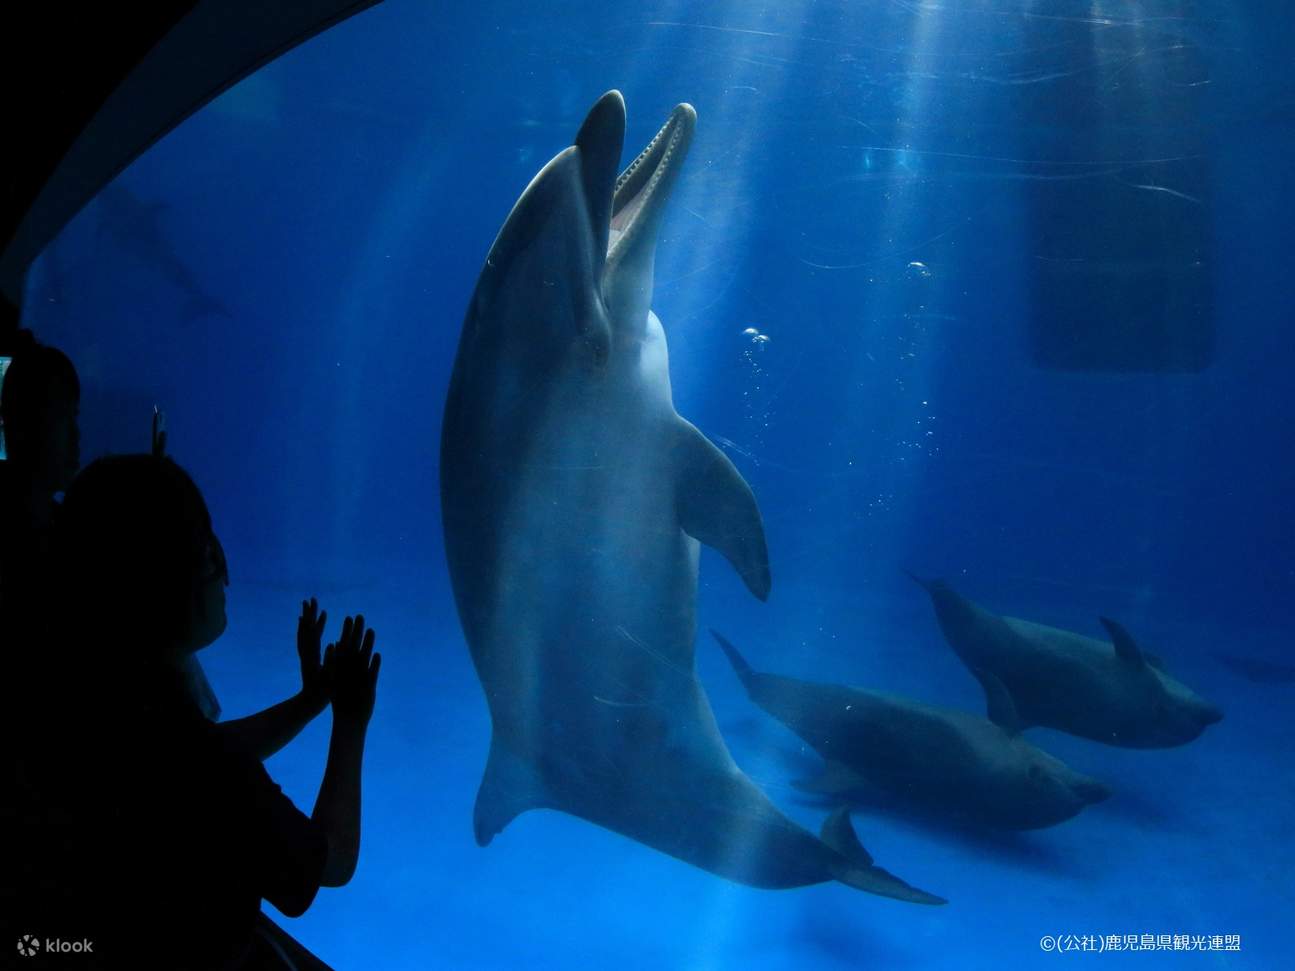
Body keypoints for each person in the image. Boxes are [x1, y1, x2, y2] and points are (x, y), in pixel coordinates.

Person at [10, 454, 381, 969]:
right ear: (161, 583)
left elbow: (199, 752)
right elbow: (331, 859)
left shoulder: (76, 701)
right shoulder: (206, 773)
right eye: (208, 555)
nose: (225, 574)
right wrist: (351, 720)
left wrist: (309, 702)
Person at [0, 330, 80, 611]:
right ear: (25, 425)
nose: (77, 434)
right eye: (63, 416)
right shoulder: (46, 545)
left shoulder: (63, 525)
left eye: (75, 416)